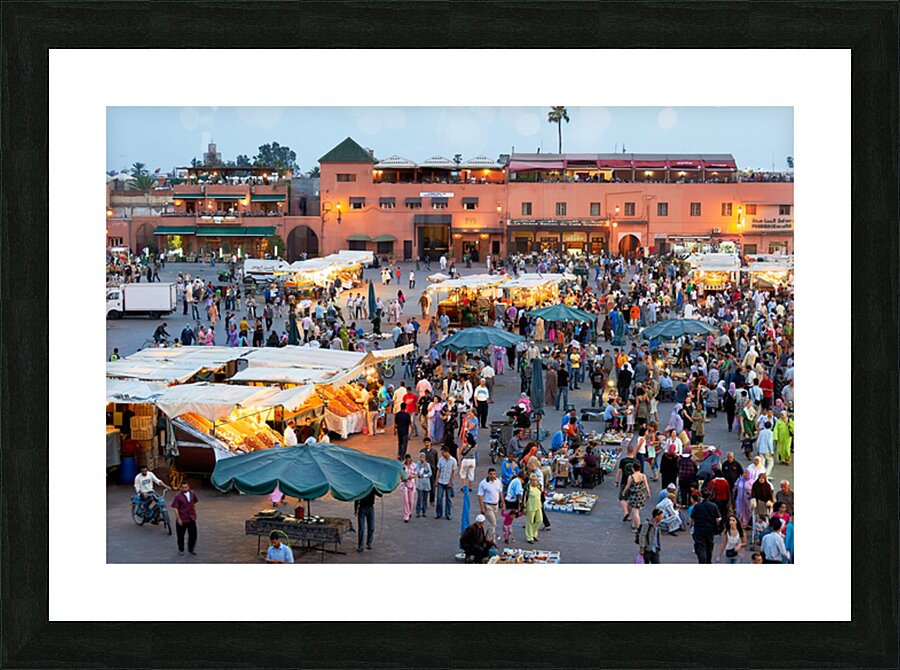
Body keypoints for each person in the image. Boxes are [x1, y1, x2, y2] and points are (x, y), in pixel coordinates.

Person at [689, 491, 721, 564]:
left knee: (700, 546)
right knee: (709, 545)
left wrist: (691, 526)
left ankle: (702, 561)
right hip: (710, 528)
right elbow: (718, 518)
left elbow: (692, 518)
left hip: (699, 528)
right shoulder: (713, 506)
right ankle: (708, 560)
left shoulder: (697, 506)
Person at [170, 480, 199, 556]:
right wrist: (178, 518)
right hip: (182, 518)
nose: (184, 489)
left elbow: (193, 503)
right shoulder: (178, 496)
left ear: (188, 487)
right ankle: (181, 549)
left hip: (191, 517)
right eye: (183, 488)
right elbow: (175, 507)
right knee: (180, 535)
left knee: (193, 534)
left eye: (186, 487)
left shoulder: (192, 493)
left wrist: (194, 512)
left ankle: (191, 548)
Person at [477, 468, 504, 544]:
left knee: (492, 523)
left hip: (496, 505)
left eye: (494, 474)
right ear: (488, 474)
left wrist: (503, 503)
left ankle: (488, 538)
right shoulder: (483, 483)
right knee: (493, 523)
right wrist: (482, 507)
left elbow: (500, 492)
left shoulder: (498, 482)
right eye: (491, 474)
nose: (492, 475)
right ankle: (491, 539)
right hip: (487, 505)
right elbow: (480, 496)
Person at [624, 462, 651, 530]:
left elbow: (627, 486)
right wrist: (648, 493)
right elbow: (646, 486)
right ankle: (633, 524)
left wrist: (623, 492)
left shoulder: (631, 477)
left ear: (633, 468)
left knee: (636, 512)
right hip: (641, 495)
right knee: (636, 510)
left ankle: (638, 527)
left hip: (634, 496)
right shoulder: (643, 476)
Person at [354, 488, 380, 552]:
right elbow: (357, 497)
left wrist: (380, 488)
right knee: (361, 528)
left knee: (371, 527)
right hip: (362, 508)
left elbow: (380, 494)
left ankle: (369, 543)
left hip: (370, 508)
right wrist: (356, 509)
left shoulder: (372, 486)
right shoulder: (361, 486)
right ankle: (360, 546)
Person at [458, 409, 479, 492]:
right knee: (471, 473)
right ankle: (470, 486)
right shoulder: (475, 446)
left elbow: (461, 452)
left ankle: (464, 486)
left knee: (463, 473)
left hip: (466, 460)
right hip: (472, 460)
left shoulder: (465, 445)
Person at [435, 447, 457, 520]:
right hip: (441, 481)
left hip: (448, 481)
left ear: (447, 452)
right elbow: (438, 470)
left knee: (448, 499)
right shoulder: (441, 460)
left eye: (443, 452)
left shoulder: (453, 460)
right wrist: (436, 480)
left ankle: (448, 514)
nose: (442, 454)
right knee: (439, 498)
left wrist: (451, 482)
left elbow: (454, 472)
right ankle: (439, 513)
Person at [524, 473, 543, 544]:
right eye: (533, 480)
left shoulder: (538, 486)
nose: (534, 481)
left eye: (535, 480)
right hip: (530, 506)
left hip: (538, 505)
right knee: (530, 522)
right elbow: (524, 498)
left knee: (539, 520)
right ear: (530, 480)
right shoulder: (527, 488)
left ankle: (533, 533)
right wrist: (524, 507)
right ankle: (529, 537)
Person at [414, 451, 432, 518]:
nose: (422, 458)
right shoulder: (418, 465)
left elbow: (430, 473)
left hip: (426, 484)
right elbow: (419, 473)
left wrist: (424, 475)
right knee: (419, 498)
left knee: (425, 498)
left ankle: (424, 511)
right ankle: (418, 511)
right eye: (421, 457)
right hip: (420, 484)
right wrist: (423, 467)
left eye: (423, 457)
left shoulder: (428, 465)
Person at [400, 453, 416, 522]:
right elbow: (400, 475)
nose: (408, 460)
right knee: (405, 500)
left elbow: (415, 473)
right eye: (406, 459)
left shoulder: (414, 465)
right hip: (404, 484)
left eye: (409, 459)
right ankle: (406, 516)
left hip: (411, 484)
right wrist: (406, 478)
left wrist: (412, 476)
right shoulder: (402, 466)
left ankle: (409, 511)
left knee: (411, 501)